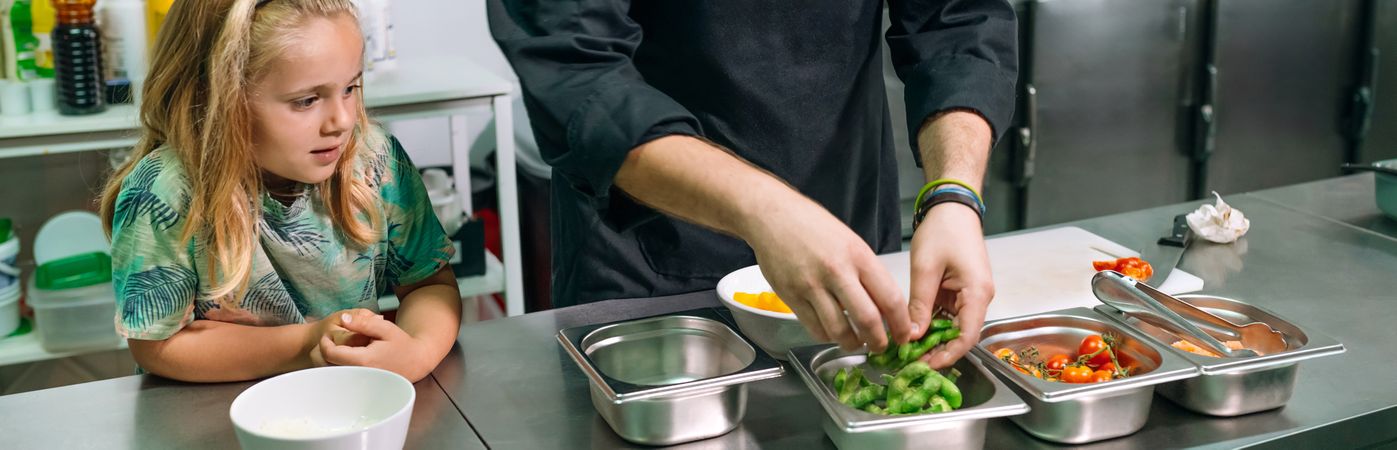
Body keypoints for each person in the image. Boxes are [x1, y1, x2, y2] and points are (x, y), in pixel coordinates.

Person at [489, 1, 1017, 367]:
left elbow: (957, 19)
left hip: (849, 232)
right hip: (650, 265)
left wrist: (953, 194)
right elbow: (576, 71)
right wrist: (765, 208)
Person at [98, 0, 461, 383]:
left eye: (350, 88)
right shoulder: (163, 191)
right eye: (306, 100)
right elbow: (157, 345)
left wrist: (417, 353)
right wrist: (308, 343)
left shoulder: (375, 159)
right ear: (219, 97)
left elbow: (430, 285)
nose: (341, 120)